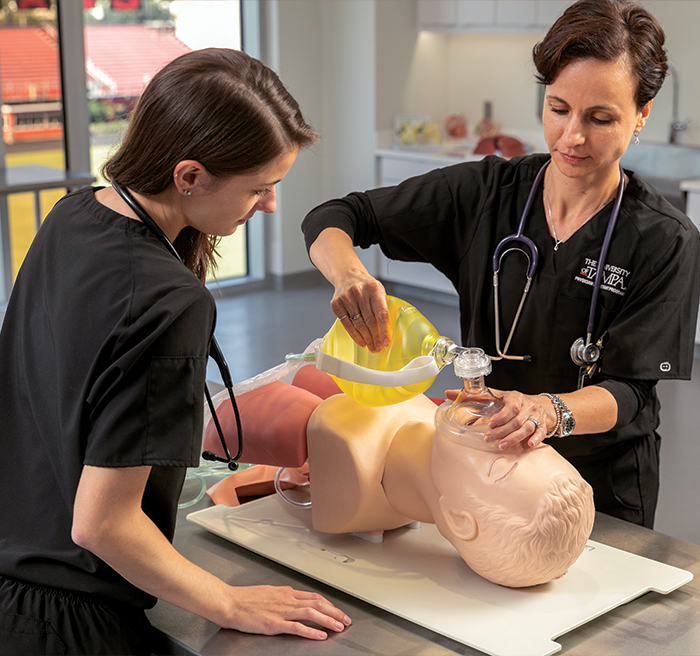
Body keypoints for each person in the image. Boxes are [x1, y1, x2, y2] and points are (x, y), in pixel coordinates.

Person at [0, 49, 351, 655]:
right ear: (188, 176)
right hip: (71, 621)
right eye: (260, 188)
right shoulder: (169, 301)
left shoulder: (70, 216)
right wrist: (230, 600)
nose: (269, 206)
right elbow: (102, 523)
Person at [301, 0, 700, 529]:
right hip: (489, 464)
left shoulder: (665, 239)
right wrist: (349, 273)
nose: (572, 137)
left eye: (600, 118)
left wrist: (548, 411)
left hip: (602, 484)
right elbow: (338, 217)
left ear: (642, 113)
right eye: (558, 109)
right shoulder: (488, 194)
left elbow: (630, 390)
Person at [202, 369, 594, 588]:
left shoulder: (339, 441)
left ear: (458, 517)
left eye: (505, 464)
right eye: (533, 442)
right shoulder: (435, 419)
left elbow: (209, 420)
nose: (510, 437)